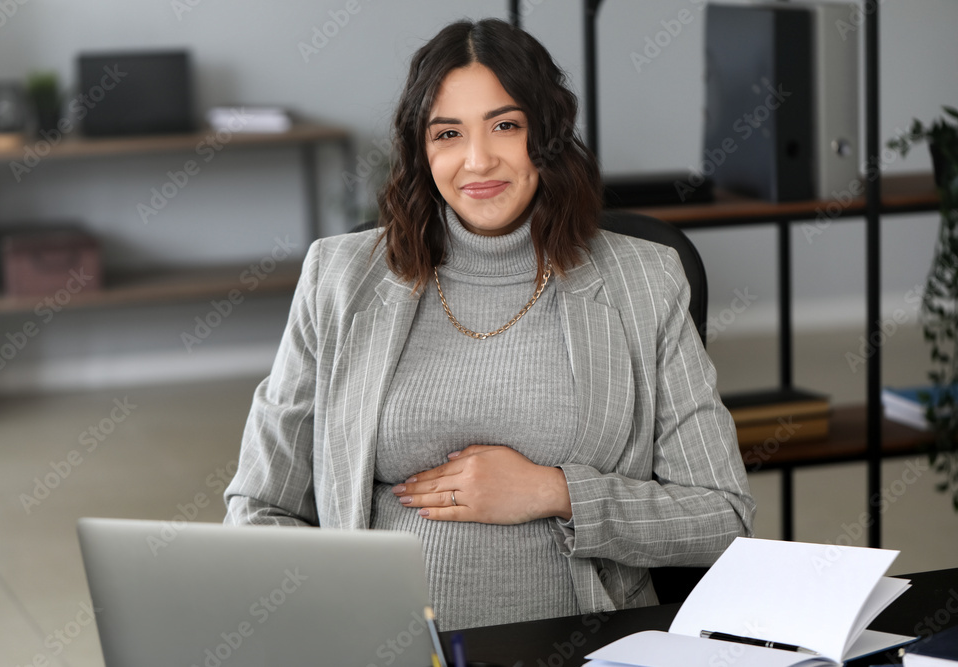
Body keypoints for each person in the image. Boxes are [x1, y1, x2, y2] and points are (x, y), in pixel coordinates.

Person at [224, 17, 754, 631]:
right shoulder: (338, 278)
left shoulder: (646, 280)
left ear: (547, 136)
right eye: (447, 134)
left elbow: (723, 518)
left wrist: (556, 492)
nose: (477, 161)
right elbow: (260, 507)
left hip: (579, 641)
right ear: (422, 152)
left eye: (506, 125)